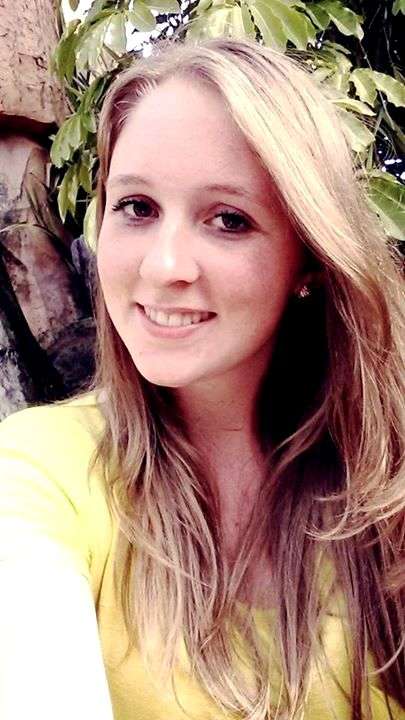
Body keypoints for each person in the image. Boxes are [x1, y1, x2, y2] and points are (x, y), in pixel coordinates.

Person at [0, 36, 404, 720]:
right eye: (137, 207)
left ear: (309, 257)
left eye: (228, 220)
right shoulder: (43, 468)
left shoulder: (385, 478)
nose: (164, 267)